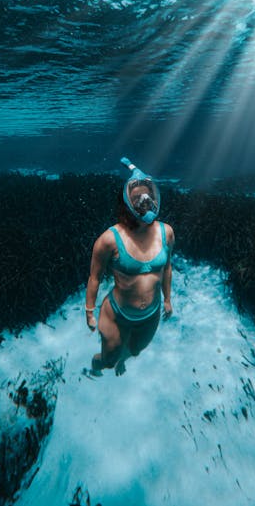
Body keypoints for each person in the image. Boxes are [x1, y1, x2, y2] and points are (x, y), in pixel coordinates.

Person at [85, 158, 175, 375]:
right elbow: (94, 277)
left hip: (150, 314)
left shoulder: (167, 232)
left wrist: (168, 299)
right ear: (126, 203)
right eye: (138, 197)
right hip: (116, 313)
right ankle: (98, 365)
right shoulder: (109, 239)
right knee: (108, 359)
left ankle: (123, 360)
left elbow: (167, 267)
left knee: (134, 351)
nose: (145, 201)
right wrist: (89, 311)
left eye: (148, 195)